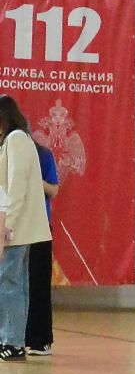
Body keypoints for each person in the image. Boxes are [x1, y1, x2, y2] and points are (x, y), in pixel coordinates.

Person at [0, 97, 51, 364]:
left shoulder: (18, 140)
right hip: (12, 226)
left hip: (14, 228)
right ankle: (11, 338)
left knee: (10, 284)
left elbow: (15, 186)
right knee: (14, 284)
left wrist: (7, 226)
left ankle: (12, 341)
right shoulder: (14, 141)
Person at [26, 143, 58, 357]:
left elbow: (53, 190)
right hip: (12, 226)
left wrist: (31, 178)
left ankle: (41, 339)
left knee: (38, 283)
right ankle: (11, 336)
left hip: (38, 225)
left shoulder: (43, 155)